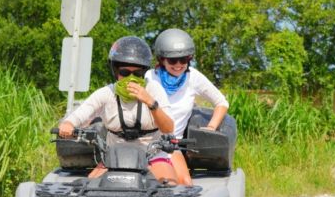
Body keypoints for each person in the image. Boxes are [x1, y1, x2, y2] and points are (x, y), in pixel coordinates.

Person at [58, 36, 178, 184]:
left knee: (170, 186)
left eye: (138, 74)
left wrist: (150, 102)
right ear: (116, 72)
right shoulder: (106, 93)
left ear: (144, 73)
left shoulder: (154, 89)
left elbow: (168, 128)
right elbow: (81, 113)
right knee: (88, 188)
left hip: (152, 155)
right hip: (114, 158)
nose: (131, 78)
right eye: (125, 73)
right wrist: (68, 124)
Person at [146, 28, 229, 186]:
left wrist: (211, 127)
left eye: (183, 60)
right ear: (162, 59)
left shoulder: (194, 77)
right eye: (172, 61)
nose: (178, 65)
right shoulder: (148, 77)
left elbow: (221, 102)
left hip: (171, 144)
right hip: (145, 141)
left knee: (185, 185)